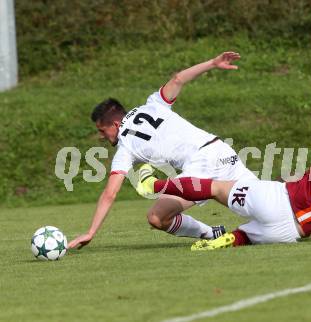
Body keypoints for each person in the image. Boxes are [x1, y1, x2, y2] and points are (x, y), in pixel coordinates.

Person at [136, 60, 311, 250]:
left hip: (278, 202)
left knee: (214, 188)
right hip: (291, 232)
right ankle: (229, 239)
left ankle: (152, 184)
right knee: (247, 234)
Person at [68, 52, 256, 249]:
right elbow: (178, 79)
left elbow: (110, 193)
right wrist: (212, 63)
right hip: (220, 149)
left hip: (201, 167)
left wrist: (90, 232)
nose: (102, 136)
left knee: (156, 217)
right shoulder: (154, 103)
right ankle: (290, 216)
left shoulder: (125, 146)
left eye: (102, 130)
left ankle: (212, 233)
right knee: (270, 200)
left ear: (115, 124)